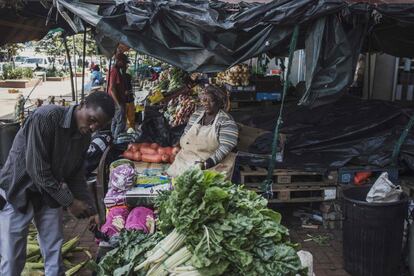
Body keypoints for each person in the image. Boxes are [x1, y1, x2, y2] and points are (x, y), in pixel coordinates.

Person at [0, 92, 115, 276]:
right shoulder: (46, 117)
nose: (93, 127)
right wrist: (70, 202)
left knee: (54, 251)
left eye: (98, 126)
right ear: (82, 104)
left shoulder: (84, 137)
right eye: (92, 119)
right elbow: (37, 170)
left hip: (48, 195)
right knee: (13, 258)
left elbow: (76, 174)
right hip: (18, 191)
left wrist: (92, 209)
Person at [167, 85, 239, 179]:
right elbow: (186, 134)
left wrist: (207, 163)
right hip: (184, 163)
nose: (206, 103)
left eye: (211, 100)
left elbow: (225, 148)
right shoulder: (197, 115)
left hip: (210, 168)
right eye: (203, 100)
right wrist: (179, 144)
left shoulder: (226, 121)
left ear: (219, 101)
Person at [108, 53, 129, 138]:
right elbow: (112, 88)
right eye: (124, 62)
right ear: (119, 61)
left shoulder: (117, 70)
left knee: (115, 121)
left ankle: (113, 138)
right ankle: (116, 140)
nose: (125, 64)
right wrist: (117, 104)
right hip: (116, 101)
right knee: (120, 122)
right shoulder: (114, 71)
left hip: (118, 100)